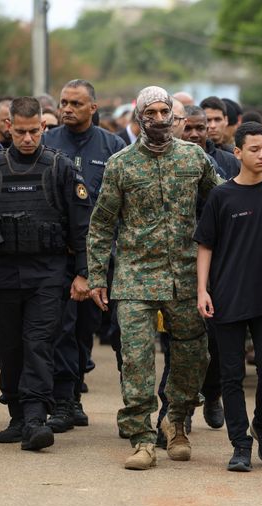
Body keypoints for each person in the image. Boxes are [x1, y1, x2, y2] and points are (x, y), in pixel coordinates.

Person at [87, 86, 220, 470]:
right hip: (135, 276)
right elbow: (102, 224)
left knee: (194, 355)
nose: (159, 119)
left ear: (175, 116)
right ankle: (141, 438)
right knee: (136, 358)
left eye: (165, 112)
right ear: (139, 117)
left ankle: (175, 421)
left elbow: (224, 200)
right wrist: (96, 275)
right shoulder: (121, 164)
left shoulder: (194, 158)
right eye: (152, 113)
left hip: (185, 275)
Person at [0, 96, 92, 451]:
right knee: (9, 347)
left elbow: (81, 226)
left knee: (39, 344)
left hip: (46, 274)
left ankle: (34, 418)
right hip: (1, 274)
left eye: (34, 131)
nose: (27, 138)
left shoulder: (60, 168)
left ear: (43, 127)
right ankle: (17, 415)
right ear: (8, 127)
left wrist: (83, 274)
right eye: (20, 132)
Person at [194, 122, 262, 472]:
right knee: (231, 375)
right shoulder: (222, 195)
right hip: (228, 295)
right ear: (237, 152)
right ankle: (240, 443)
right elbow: (205, 245)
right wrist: (202, 290)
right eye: (254, 149)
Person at [42, 79, 126, 433]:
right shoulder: (47, 142)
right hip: (58, 254)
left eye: (76, 103)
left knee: (85, 328)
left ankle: (74, 393)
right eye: (63, 102)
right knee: (60, 326)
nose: (67, 108)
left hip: (100, 256)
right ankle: (63, 401)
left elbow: (124, 203)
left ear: (93, 107)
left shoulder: (113, 146)